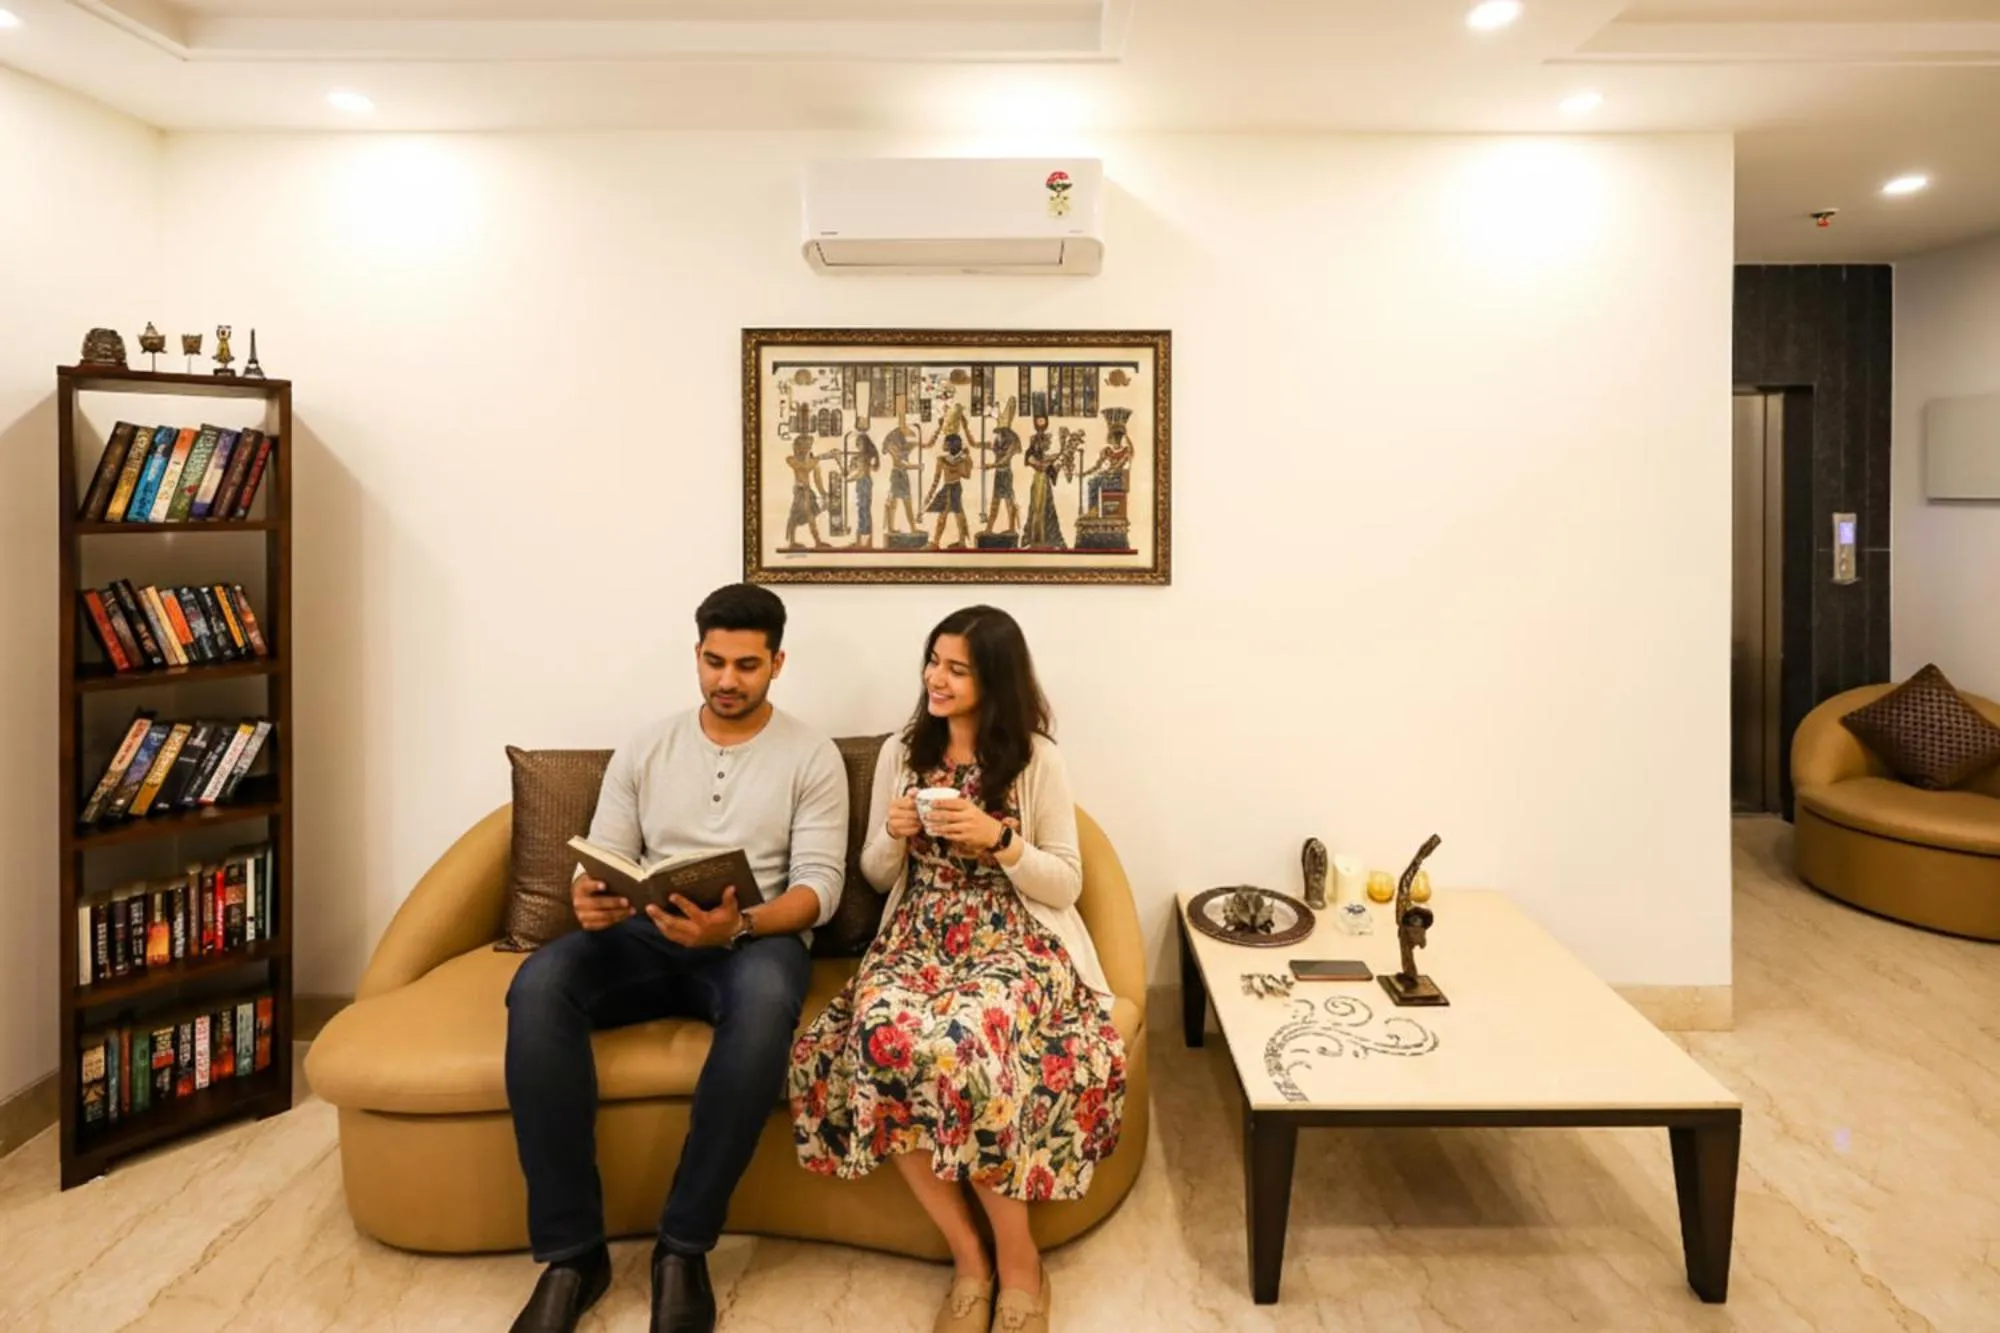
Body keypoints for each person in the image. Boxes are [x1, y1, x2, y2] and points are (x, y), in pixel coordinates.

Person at [505, 584, 847, 1333]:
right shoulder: (647, 743)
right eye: (714, 661)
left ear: (777, 662)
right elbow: (608, 851)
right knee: (538, 985)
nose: (728, 679)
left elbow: (819, 887)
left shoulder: (812, 755)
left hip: (752, 941)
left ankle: (682, 1248)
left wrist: (739, 924)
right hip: (648, 930)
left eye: (747, 665)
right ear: (696, 654)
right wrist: (587, 895)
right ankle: (572, 1254)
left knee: (763, 1013)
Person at [789, 606, 1127, 1333]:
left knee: (966, 1043)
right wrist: (893, 832)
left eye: (956, 667)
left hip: (1013, 940)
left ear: (993, 679)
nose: (934, 678)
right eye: (932, 661)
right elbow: (878, 878)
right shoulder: (901, 754)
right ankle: (970, 1256)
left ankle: (1021, 1263)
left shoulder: (1035, 758)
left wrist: (1000, 838)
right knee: (882, 1035)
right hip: (918, 935)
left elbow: (1064, 883)